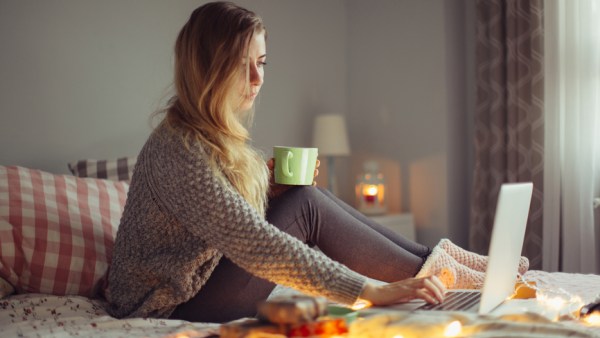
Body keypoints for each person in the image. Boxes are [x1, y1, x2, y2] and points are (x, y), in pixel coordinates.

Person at [105, 1, 528, 323]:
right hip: (166, 308)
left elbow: (217, 223)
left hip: (197, 286)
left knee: (304, 194)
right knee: (305, 206)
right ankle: (450, 273)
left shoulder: (207, 136)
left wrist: (268, 190)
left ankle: (449, 263)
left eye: (262, 63)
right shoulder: (177, 151)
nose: (257, 79)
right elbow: (255, 243)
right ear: (206, 70)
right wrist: (367, 291)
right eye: (241, 65)